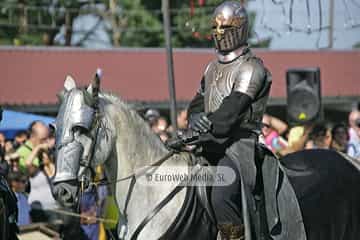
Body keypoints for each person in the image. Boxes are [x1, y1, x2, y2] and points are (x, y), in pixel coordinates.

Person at [169, 2, 272, 239]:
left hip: (239, 146)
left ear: (240, 28)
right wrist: (196, 120)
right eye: (216, 29)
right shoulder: (211, 68)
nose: (219, 34)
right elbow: (197, 103)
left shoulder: (251, 67)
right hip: (208, 143)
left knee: (221, 195)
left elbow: (231, 111)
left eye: (225, 28)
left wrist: (201, 129)